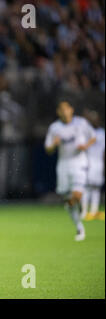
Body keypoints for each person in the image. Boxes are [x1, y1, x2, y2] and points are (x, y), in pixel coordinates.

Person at [45, 101, 96, 241]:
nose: (64, 112)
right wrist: (53, 145)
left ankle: (80, 203)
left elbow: (93, 136)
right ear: (58, 112)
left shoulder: (81, 123)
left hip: (79, 162)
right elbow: (47, 149)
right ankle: (79, 228)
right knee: (68, 201)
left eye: (66, 109)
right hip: (63, 165)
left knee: (77, 195)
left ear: (71, 110)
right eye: (61, 110)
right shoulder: (54, 128)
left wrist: (85, 146)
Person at [82, 110, 105, 221]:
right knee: (86, 188)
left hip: (99, 163)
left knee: (96, 188)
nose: (95, 121)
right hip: (88, 162)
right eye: (93, 119)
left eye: (96, 119)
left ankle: (94, 211)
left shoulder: (102, 132)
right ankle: (84, 212)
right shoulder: (87, 132)